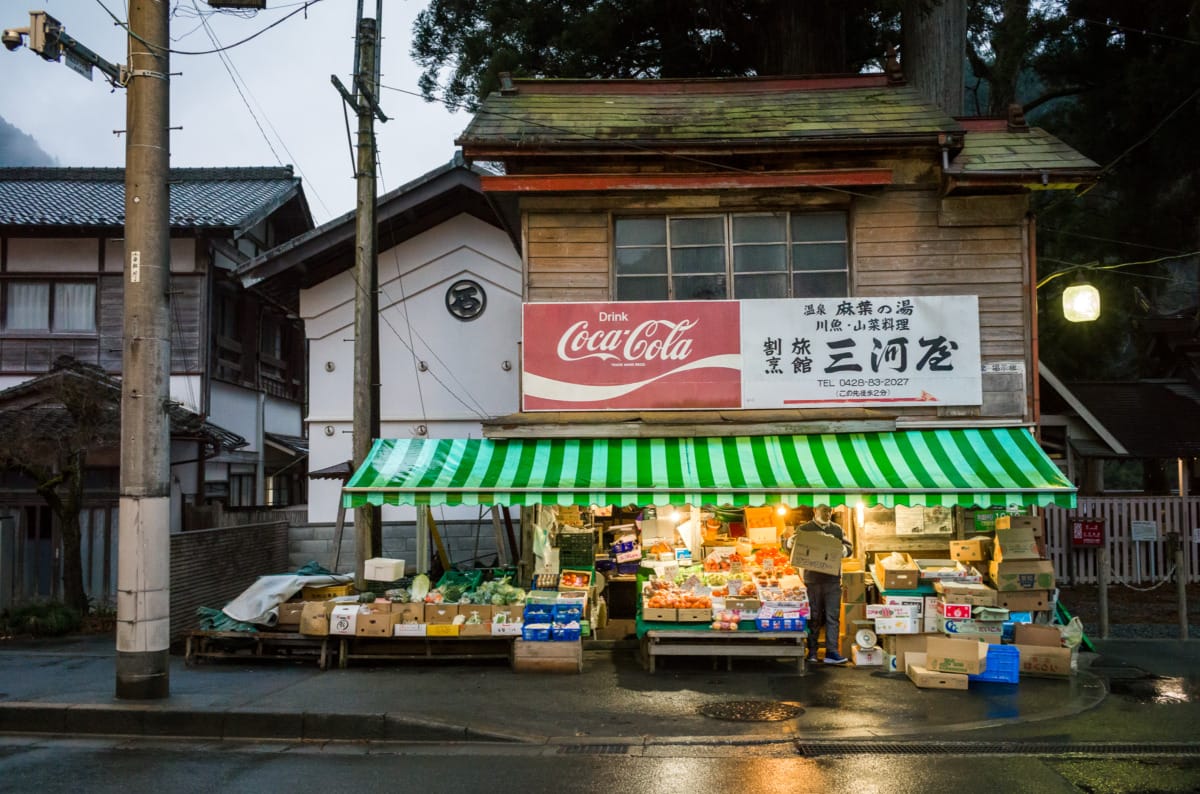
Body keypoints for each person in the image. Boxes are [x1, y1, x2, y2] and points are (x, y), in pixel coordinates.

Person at [782, 504, 853, 665]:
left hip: (833, 580)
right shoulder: (804, 529)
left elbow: (850, 548)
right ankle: (812, 652)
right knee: (813, 616)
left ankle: (832, 652)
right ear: (815, 511)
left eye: (829, 510)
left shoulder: (837, 529)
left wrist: (842, 549)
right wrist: (790, 542)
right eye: (824, 510)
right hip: (812, 580)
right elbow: (787, 547)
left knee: (832, 617)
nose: (827, 513)